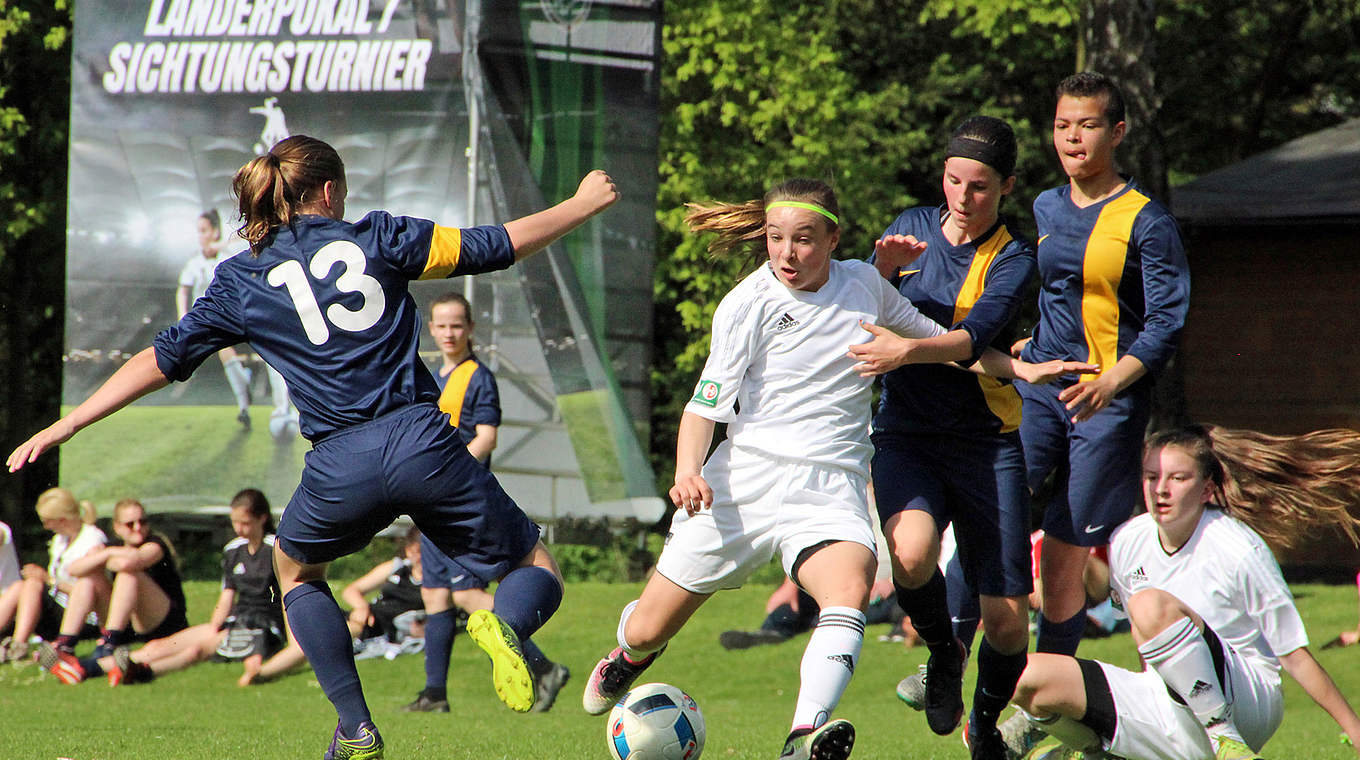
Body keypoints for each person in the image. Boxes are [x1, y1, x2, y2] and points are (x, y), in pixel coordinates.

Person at [7, 134, 618, 760]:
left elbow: (161, 360)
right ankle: (504, 624)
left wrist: (71, 422)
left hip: (338, 466)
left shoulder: (240, 279)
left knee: (295, 572)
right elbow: (497, 245)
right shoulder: (380, 237)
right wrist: (581, 203)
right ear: (328, 191)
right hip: (421, 442)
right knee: (534, 568)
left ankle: (354, 726)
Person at [581, 177, 988, 760]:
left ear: (833, 239)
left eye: (802, 239)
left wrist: (1014, 368)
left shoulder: (867, 285)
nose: (787, 253)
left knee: (847, 590)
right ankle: (630, 657)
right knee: (648, 628)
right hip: (742, 481)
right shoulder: (747, 303)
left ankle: (803, 737)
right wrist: (687, 471)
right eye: (776, 239)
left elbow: (941, 344)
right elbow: (704, 407)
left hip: (830, 483)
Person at [849, 115, 1094, 758]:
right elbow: (865, 302)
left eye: (979, 186)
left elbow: (968, 341)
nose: (963, 196)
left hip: (987, 444)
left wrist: (905, 350)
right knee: (910, 553)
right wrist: (881, 266)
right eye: (954, 181)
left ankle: (983, 725)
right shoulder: (911, 226)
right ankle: (942, 654)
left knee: (1010, 623)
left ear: (1006, 187)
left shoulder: (1016, 255)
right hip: (905, 433)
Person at [1009, 425, 1360, 760]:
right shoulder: (1126, 541)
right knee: (1024, 676)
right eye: (1151, 477)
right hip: (1171, 704)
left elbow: (1293, 656)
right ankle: (1101, 750)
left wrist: (1355, 730)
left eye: (1177, 478)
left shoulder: (1238, 548)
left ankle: (1225, 738)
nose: (1161, 489)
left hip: (1248, 704)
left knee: (1148, 603)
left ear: (1207, 489)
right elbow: (1145, 645)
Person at [1012, 72, 1190, 659]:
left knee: (1066, 556)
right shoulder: (1044, 205)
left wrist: (1111, 383)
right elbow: (1058, 293)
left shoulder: (1147, 220)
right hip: (1043, 389)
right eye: (1062, 125)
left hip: (1107, 405)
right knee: (1000, 495)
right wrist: (1029, 343)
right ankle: (950, 650)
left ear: (1116, 132)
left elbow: (1166, 323)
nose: (1071, 138)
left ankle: (1051, 693)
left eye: (1086, 125)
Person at [404, 291, 570, 714]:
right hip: (429, 504)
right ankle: (434, 694)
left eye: (456, 325)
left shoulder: (477, 376)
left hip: (459, 499)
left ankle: (543, 666)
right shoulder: (430, 375)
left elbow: (487, 436)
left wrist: (449, 477)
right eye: (440, 325)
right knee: (436, 595)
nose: (448, 333)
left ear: (470, 329)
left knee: (465, 596)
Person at [66, 488, 294, 688]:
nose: (239, 528)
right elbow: (227, 594)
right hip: (235, 619)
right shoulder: (233, 550)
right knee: (158, 646)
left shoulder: (275, 548)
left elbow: (287, 595)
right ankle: (85, 667)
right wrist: (215, 624)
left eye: (245, 523)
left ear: (262, 518)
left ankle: (144, 672)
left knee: (195, 651)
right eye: (235, 522)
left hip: (263, 625)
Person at [36, 497, 189, 684]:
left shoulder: (155, 544)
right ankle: (65, 645)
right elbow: (74, 569)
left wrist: (105, 555)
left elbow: (130, 562)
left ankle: (109, 643)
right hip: (130, 625)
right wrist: (107, 554)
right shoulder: (113, 546)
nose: (137, 528)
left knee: (128, 574)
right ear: (117, 527)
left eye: (142, 521)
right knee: (89, 579)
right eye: (130, 524)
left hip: (164, 623)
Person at [0, 489, 107, 664]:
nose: (46, 527)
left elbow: (90, 590)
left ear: (62, 520)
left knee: (34, 583)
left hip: (83, 616)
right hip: (58, 605)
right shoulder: (60, 540)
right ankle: (17, 643)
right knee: (22, 586)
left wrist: (48, 580)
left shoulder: (92, 540)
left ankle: (18, 645)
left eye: (47, 522)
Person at [178, 209, 254, 429]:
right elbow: (183, 290)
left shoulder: (227, 257)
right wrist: (183, 315)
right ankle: (244, 389)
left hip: (228, 316)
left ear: (215, 232)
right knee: (221, 354)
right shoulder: (194, 263)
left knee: (225, 350)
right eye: (198, 231)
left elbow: (248, 236)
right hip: (202, 319)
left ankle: (244, 406)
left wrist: (222, 246)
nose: (200, 236)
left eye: (204, 231)